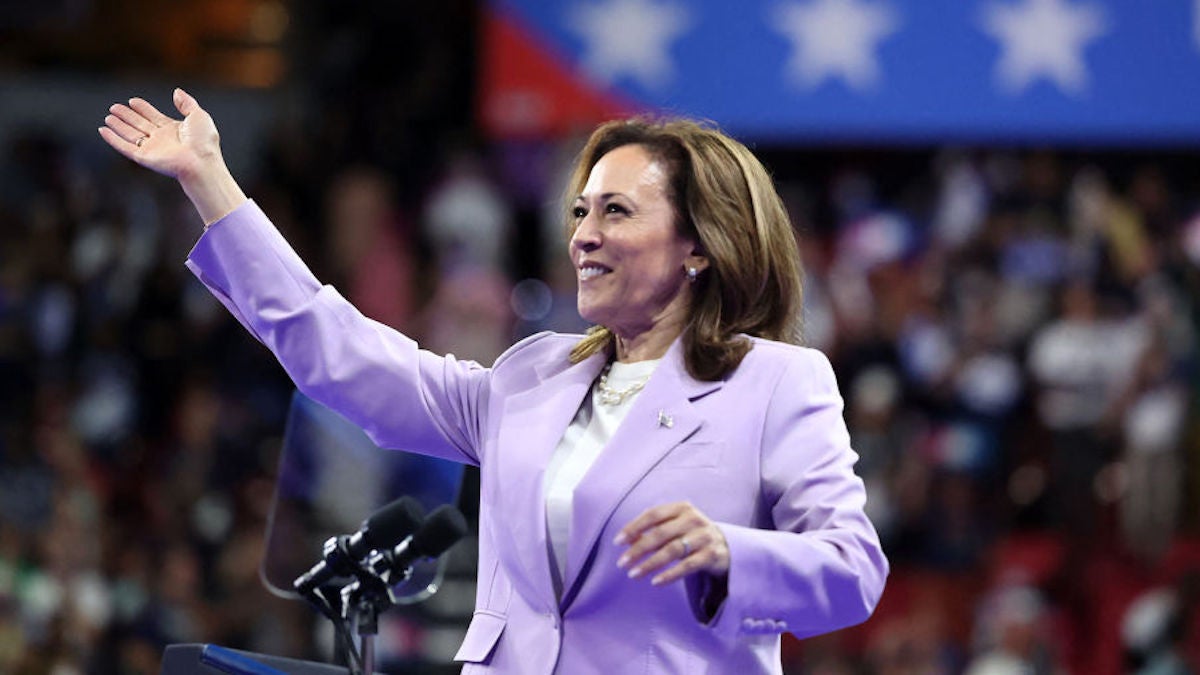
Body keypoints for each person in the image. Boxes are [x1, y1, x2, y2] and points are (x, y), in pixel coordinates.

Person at [99, 88, 888, 674]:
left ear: (699, 245)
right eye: (579, 212)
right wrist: (210, 182)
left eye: (615, 211)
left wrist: (728, 551)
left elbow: (853, 569)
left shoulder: (775, 381)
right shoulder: (531, 375)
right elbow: (338, 353)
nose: (583, 236)